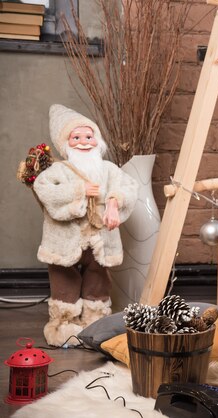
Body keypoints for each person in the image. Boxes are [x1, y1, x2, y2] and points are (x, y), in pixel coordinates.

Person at [33, 104, 138, 347]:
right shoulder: (58, 170)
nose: (83, 142)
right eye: (76, 137)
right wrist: (79, 191)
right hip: (66, 239)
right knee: (63, 279)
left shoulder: (108, 169)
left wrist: (113, 202)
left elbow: (128, 186)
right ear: (66, 143)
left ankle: (95, 323)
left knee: (98, 278)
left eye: (89, 137)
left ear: (97, 140)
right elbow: (44, 189)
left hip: (99, 239)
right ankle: (64, 328)